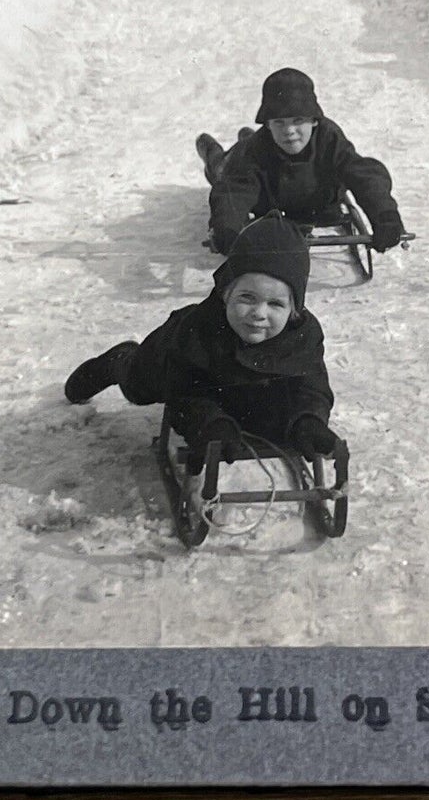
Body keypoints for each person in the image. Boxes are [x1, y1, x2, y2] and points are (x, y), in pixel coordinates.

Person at [63, 213, 338, 491]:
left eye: (275, 304)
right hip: (164, 360)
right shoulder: (197, 331)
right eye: (247, 298)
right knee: (138, 388)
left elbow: (311, 387)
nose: (258, 313)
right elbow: (184, 394)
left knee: (267, 403)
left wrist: (309, 420)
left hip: (236, 384)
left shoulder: (303, 336)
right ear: (225, 293)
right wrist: (209, 425)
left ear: (293, 311)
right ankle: (118, 360)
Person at [195, 68, 407, 256]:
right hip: (266, 200)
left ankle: (244, 135)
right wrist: (227, 228)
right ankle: (211, 150)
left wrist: (386, 217)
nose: (289, 131)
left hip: (318, 203)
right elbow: (235, 191)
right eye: (279, 122)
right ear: (268, 125)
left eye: (298, 121)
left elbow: (365, 176)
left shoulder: (329, 138)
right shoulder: (256, 149)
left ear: (314, 120)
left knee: (250, 144)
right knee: (222, 169)